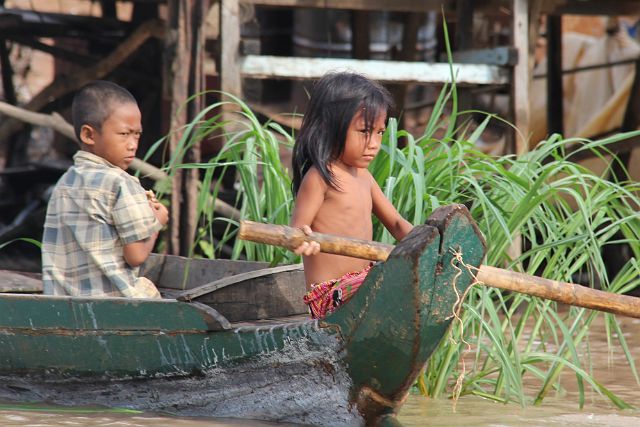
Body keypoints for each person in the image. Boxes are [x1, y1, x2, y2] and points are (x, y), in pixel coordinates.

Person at [290, 72, 413, 318]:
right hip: (329, 295)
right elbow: (297, 229)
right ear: (332, 127)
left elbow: (398, 224)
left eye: (379, 132)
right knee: (385, 281)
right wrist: (303, 239)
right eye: (365, 131)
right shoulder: (321, 177)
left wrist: (429, 244)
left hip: (363, 285)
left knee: (407, 280)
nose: (374, 143)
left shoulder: (364, 178)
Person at [41, 80, 169, 298]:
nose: (133, 144)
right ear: (89, 135)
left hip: (61, 303)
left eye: (136, 134)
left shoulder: (65, 182)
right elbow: (136, 255)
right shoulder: (121, 183)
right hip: (112, 306)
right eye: (124, 134)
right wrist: (156, 221)